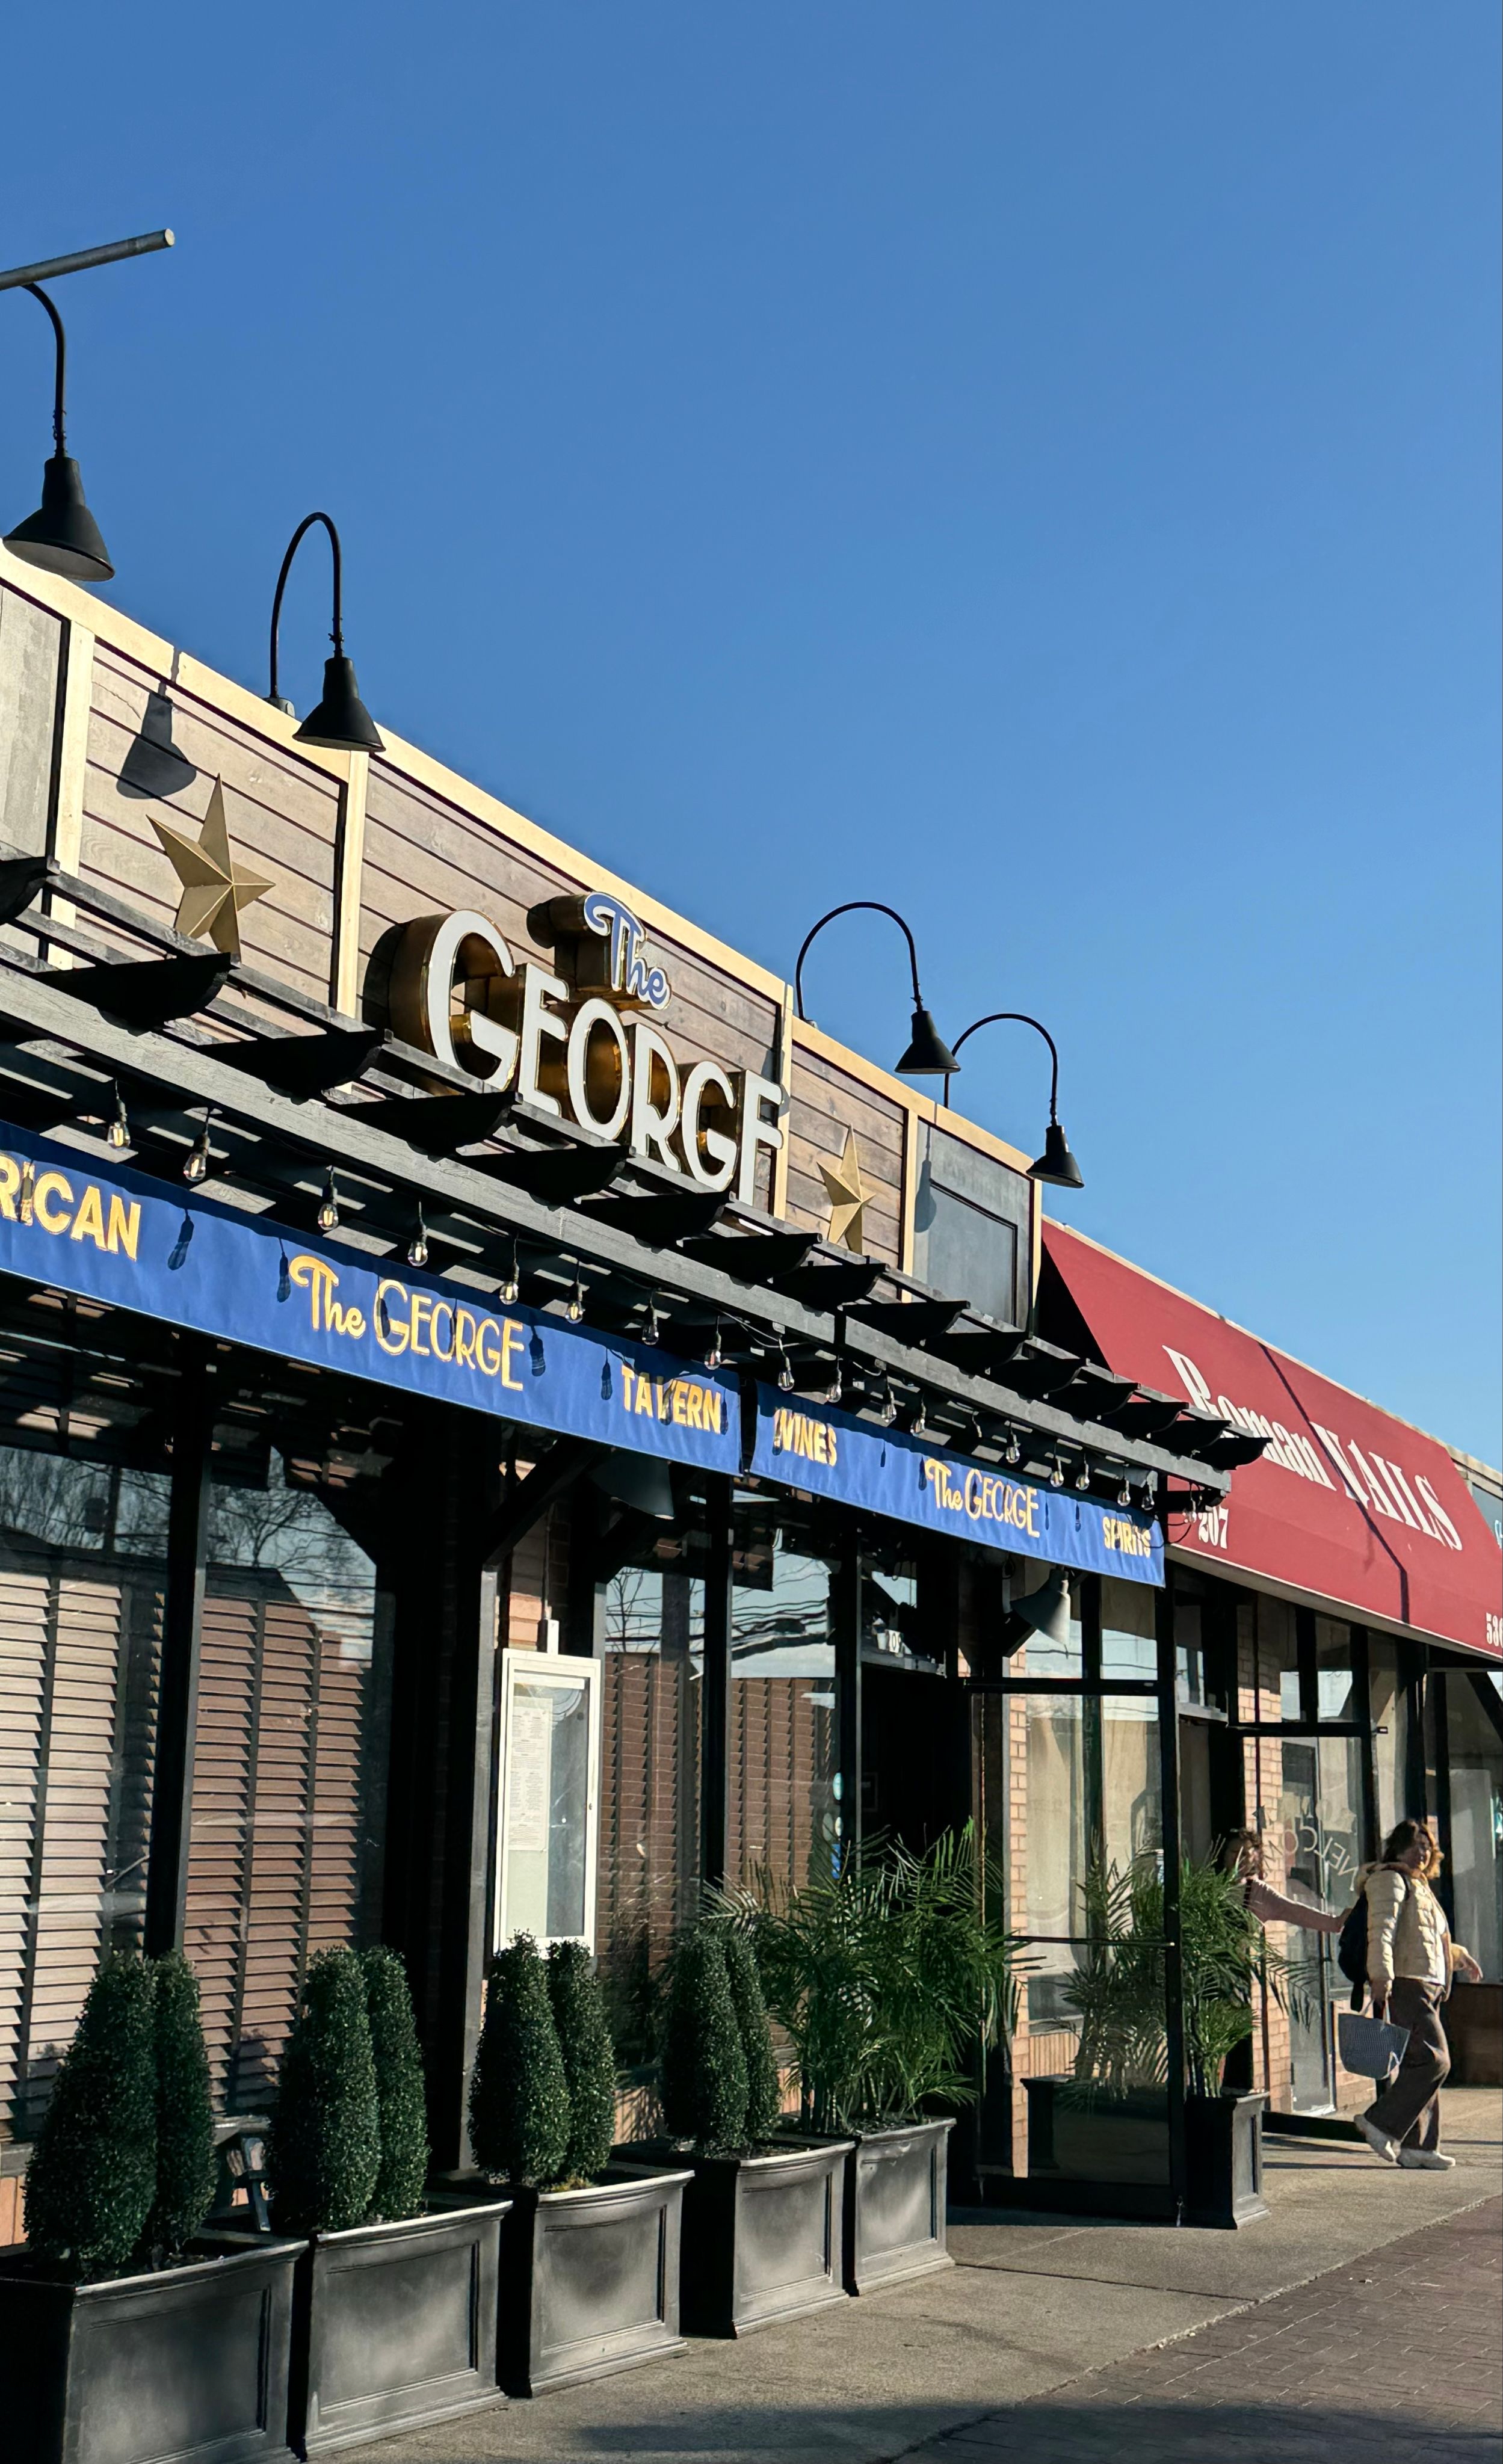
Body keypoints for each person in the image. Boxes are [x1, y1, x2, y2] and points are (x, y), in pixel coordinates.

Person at [1353, 1818, 1482, 2170]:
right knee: (1436, 2061)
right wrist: (1381, 1977)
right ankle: (1379, 2122)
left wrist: (1458, 1956)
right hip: (1407, 1983)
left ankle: (1420, 2148)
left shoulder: (1419, 1885)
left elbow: (1425, 1937)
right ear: (1397, 1848)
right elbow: (1382, 1931)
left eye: (1427, 1847)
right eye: (1414, 1846)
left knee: (1420, 2063)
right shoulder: (1389, 1880)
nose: (1422, 1853)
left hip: (1429, 1984)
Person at [1224, 1829, 1345, 1933]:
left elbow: (1295, 1912)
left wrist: (1335, 1923)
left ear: (1255, 1860)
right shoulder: (1213, 1880)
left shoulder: (1259, 1894)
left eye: (1245, 1855)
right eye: (1234, 1852)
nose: (1238, 1859)